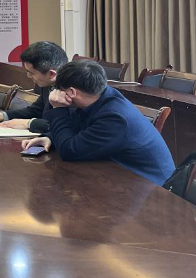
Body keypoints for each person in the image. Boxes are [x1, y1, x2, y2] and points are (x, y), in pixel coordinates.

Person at [21, 60, 175, 186]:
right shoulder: (99, 96)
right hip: (116, 175)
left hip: (149, 187)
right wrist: (50, 138)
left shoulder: (114, 118)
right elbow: (77, 129)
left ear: (72, 92)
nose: (56, 93)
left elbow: (70, 151)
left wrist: (59, 108)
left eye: (59, 89)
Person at [0, 41, 68, 130]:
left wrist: (28, 123)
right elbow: (35, 110)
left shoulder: (71, 91)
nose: (28, 76)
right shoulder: (47, 83)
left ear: (51, 74)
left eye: (31, 73)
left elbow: (64, 125)